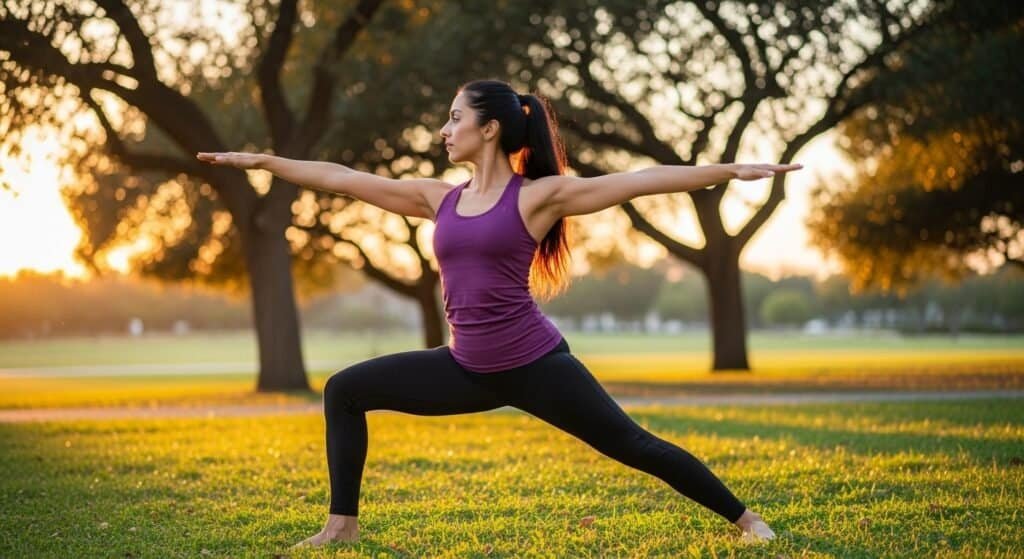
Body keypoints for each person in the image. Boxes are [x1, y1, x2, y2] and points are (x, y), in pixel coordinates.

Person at [197, 78, 801, 549]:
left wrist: (731, 171)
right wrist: (266, 162)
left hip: (536, 364)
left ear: (489, 129)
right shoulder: (440, 199)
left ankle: (747, 520)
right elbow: (345, 179)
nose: (443, 129)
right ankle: (342, 526)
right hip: (466, 367)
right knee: (345, 390)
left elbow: (639, 181)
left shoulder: (538, 196)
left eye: (455, 117)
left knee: (633, 445)